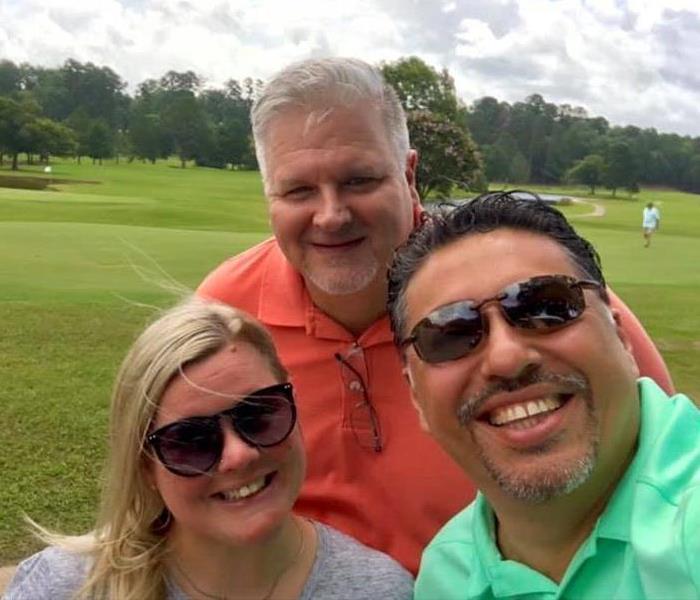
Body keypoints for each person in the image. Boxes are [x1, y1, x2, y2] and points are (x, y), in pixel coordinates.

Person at [198, 57, 674, 574]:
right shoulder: (225, 315)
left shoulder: (542, 303)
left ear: (408, 173)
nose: (331, 215)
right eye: (298, 190)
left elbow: (664, 478)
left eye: (359, 180)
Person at [387, 192, 700, 599]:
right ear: (415, 397)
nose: (506, 357)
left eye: (547, 306)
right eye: (451, 334)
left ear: (622, 338)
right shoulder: (446, 573)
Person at [5, 298, 413, 600]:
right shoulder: (67, 587)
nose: (238, 455)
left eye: (259, 415)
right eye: (191, 441)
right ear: (146, 467)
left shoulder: (377, 589)